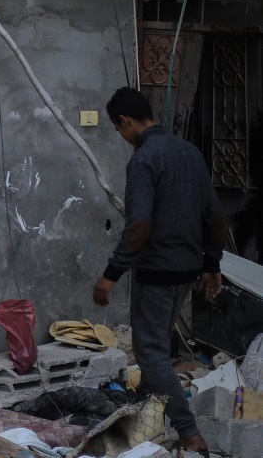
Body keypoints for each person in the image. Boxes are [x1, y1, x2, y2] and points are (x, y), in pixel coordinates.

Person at [94, 86, 228, 456]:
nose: (121, 137)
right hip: (187, 270)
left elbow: (139, 226)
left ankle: (189, 434)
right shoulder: (190, 153)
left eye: (118, 130)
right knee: (157, 344)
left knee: (149, 350)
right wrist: (212, 264)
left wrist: (111, 272)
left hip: (156, 270)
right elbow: (215, 217)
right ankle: (144, 404)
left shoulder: (144, 159)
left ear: (125, 122)